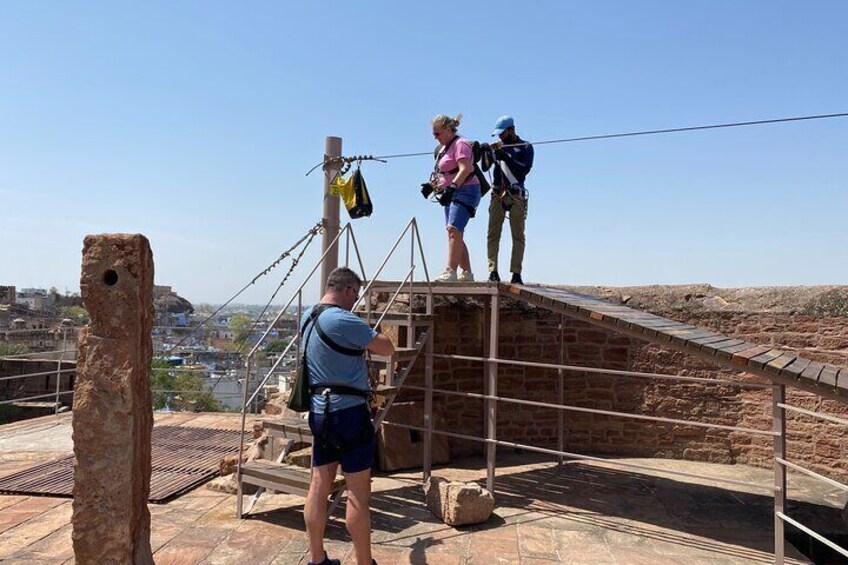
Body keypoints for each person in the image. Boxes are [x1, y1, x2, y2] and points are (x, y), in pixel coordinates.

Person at [302, 267, 395, 565]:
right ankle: (365, 562)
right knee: (357, 493)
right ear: (349, 290)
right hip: (349, 413)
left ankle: (317, 559)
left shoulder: (307, 316)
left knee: (318, 486)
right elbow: (387, 348)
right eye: (356, 295)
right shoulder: (343, 319)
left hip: (319, 412)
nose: (356, 301)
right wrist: (371, 330)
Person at [428, 114, 481, 282]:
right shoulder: (443, 149)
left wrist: (452, 187)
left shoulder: (461, 144)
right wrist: (432, 186)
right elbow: (444, 173)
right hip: (451, 192)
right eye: (433, 134)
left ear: (449, 130)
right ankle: (466, 273)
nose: (435, 138)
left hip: (466, 190)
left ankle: (450, 271)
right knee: (455, 233)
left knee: (454, 230)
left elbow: (465, 169)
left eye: (438, 133)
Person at [485, 115, 534, 284]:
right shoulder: (497, 147)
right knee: (493, 234)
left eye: (502, 133)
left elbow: (523, 170)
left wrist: (505, 157)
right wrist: (487, 153)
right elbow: (485, 168)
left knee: (518, 235)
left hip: (516, 194)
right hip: (497, 194)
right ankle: (493, 270)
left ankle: (516, 272)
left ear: (511, 130)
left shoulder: (525, 147)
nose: (500, 137)